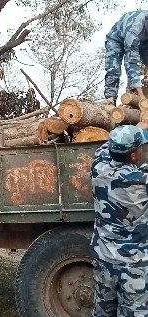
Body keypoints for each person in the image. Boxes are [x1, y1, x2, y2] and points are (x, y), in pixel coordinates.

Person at [90, 123, 148, 316]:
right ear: (133, 155)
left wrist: (134, 131)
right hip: (134, 265)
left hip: (105, 259)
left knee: (103, 311)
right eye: (141, 147)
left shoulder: (98, 169)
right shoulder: (142, 180)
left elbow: (104, 149)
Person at [105, 11, 148, 104]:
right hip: (116, 40)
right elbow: (132, 62)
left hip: (143, 41)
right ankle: (110, 101)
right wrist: (141, 96)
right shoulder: (135, 29)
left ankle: (132, 95)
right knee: (114, 70)